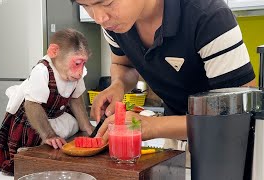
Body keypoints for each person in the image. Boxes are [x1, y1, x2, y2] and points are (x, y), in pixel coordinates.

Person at [72, 0, 256, 158]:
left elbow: (238, 116)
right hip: (176, 138)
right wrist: (118, 85)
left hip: (226, 145)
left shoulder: (209, 17)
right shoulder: (115, 26)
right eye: (86, 5)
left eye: (107, 2)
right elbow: (124, 65)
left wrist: (152, 126)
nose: (99, 18)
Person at [0, 28, 94, 174]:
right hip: (34, 121)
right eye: (77, 63)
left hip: (55, 116)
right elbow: (32, 105)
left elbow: (76, 98)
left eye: (83, 64)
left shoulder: (73, 74)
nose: (80, 72)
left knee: (69, 135)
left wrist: (88, 128)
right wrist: (48, 135)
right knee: (32, 158)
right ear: (54, 52)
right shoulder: (42, 71)